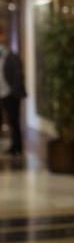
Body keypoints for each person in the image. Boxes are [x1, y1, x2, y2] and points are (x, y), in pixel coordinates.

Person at [0, 25, 26, 157]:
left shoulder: (11, 56)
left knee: (13, 121)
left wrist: (15, 92)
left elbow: (18, 75)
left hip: (10, 94)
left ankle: (17, 147)